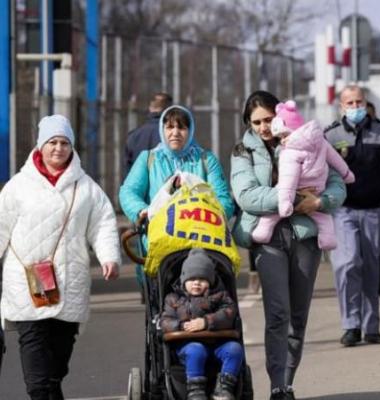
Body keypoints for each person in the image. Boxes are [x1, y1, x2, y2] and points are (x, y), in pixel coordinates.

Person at [230, 90, 347, 400]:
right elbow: (247, 196)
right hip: (268, 240)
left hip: (305, 237)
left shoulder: (306, 138)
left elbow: (336, 181)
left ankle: (289, 380)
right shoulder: (243, 152)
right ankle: (277, 385)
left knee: (298, 316)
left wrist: (321, 201)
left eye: (268, 119)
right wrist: (293, 200)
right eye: (256, 122)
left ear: (280, 114)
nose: (264, 127)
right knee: (278, 313)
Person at [0, 114, 120, 399]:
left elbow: (103, 223)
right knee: (38, 380)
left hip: (68, 283)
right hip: (26, 285)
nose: (58, 148)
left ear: (72, 147)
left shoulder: (87, 187)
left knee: (56, 368)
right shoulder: (18, 186)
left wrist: (109, 257)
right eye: (52, 142)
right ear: (41, 146)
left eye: (64, 142)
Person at [324, 85, 380, 347]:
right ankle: (350, 325)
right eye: (350, 103)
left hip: (374, 210)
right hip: (343, 210)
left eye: (359, 102)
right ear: (341, 106)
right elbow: (319, 172)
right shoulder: (330, 136)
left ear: (366, 103)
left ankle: (371, 327)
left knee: (370, 267)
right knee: (347, 263)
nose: (355, 107)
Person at [252, 100, 355, 249]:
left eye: (283, 136)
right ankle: (328, 240)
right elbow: (336, 160)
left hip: (297, 191)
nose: (282, 140)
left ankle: (263, 231)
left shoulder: (290, 152)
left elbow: (289, 180)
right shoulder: (320, 141)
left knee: (270, 217)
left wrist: (286, 202)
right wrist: (347, 174)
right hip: (318, 189)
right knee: (323, 218)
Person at [119, 104, 235, 227]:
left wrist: (212, 217)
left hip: (199, 237)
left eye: (181, 127)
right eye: (169, 127)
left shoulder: (206, 159)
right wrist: (141, 211)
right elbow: (129, 191)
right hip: (157, 235)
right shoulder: (148, 158)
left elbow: (223, 199)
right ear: (162, 130)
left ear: (190, 131)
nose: (175, 133)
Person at [160, 248, 243, 400]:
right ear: (184, 280)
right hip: (186, 346)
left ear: (210, 282)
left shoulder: (219, 296)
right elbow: (165, 321)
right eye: (192, 279)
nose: (196, 283)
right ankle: (195, 390)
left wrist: (206, 322)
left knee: (235, 349)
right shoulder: (173, 299)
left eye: (202, 279)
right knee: (196, 350)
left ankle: (224, 387)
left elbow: (229, 313)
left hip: (218, 344)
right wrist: (181, 326)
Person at [123, 92, 173, 176]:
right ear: (170, 110)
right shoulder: (176, 135)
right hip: (166, 186)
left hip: (139, 187)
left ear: (150, 108)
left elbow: (127, 173)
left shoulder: (133, 136)